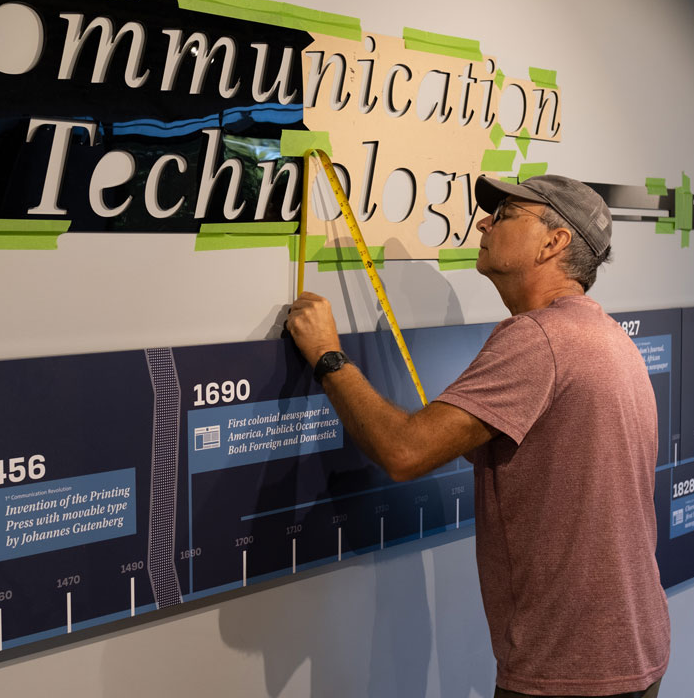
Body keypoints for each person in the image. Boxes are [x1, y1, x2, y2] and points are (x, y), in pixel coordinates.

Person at [286, 174, 670, 698]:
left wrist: (329, 357)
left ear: (555, 243)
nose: (485, 221)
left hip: (568, 671)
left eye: (508, 213)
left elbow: (404, 452)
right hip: (631, 649)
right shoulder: (605, 335)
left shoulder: (538, 339)